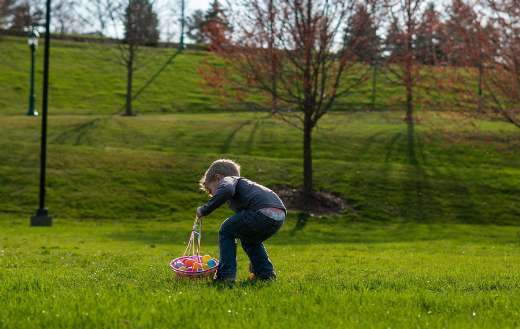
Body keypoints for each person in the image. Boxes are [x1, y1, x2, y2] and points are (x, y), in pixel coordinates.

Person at [196, 159, 286, 283]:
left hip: (261, 211)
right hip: (278, 215)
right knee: (250, 240)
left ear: (218, 178)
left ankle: (225, 277)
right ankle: (265, 274)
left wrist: (204, 210)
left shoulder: (228, 180)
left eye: (210, 190)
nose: (211, 195)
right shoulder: (242, 185)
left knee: (226, 230)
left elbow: (226, 190)